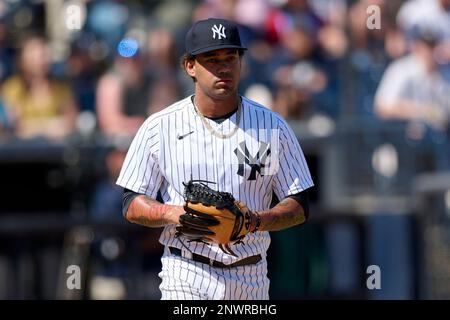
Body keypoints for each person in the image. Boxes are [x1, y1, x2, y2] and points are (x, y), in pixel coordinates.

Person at [116, 18, 314, 300]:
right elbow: (131, 201)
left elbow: (299, 203)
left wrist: (254, 221)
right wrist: (174, 214)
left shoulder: (271, 126)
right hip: (185, 271)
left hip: (251, 275)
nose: (223, 67)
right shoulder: (160, 127)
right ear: (190, 66)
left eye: (230, 57)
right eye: (211, 58)